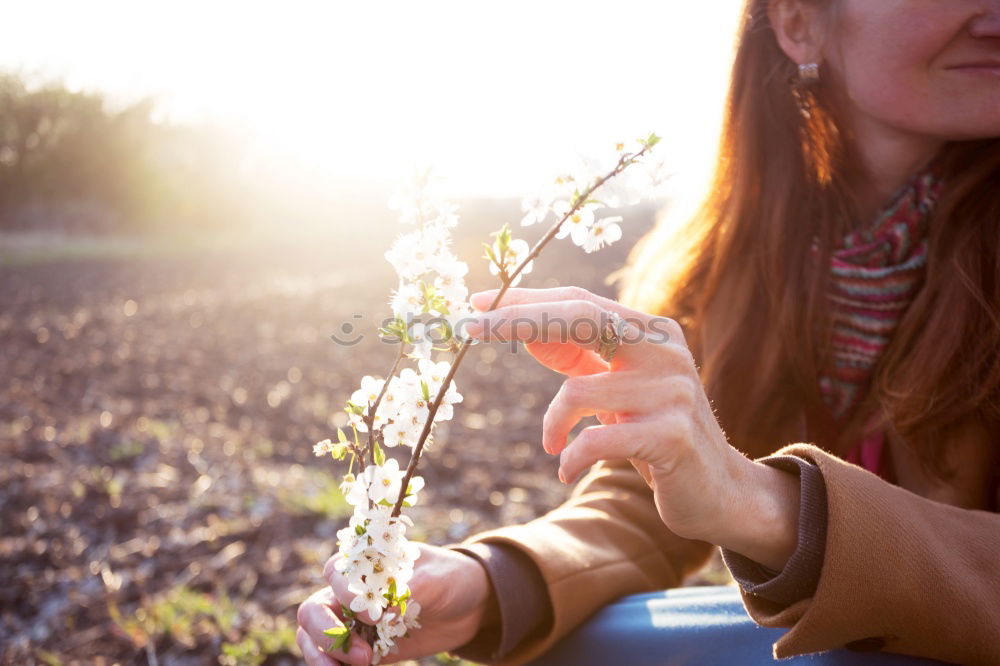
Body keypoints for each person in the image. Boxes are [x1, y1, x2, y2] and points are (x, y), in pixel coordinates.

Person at [296, 0, 1000, 664]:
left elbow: (729, 488)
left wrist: (770, 505)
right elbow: (656, 497)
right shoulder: (740, 255)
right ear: (797, 21)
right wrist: (494, 580)